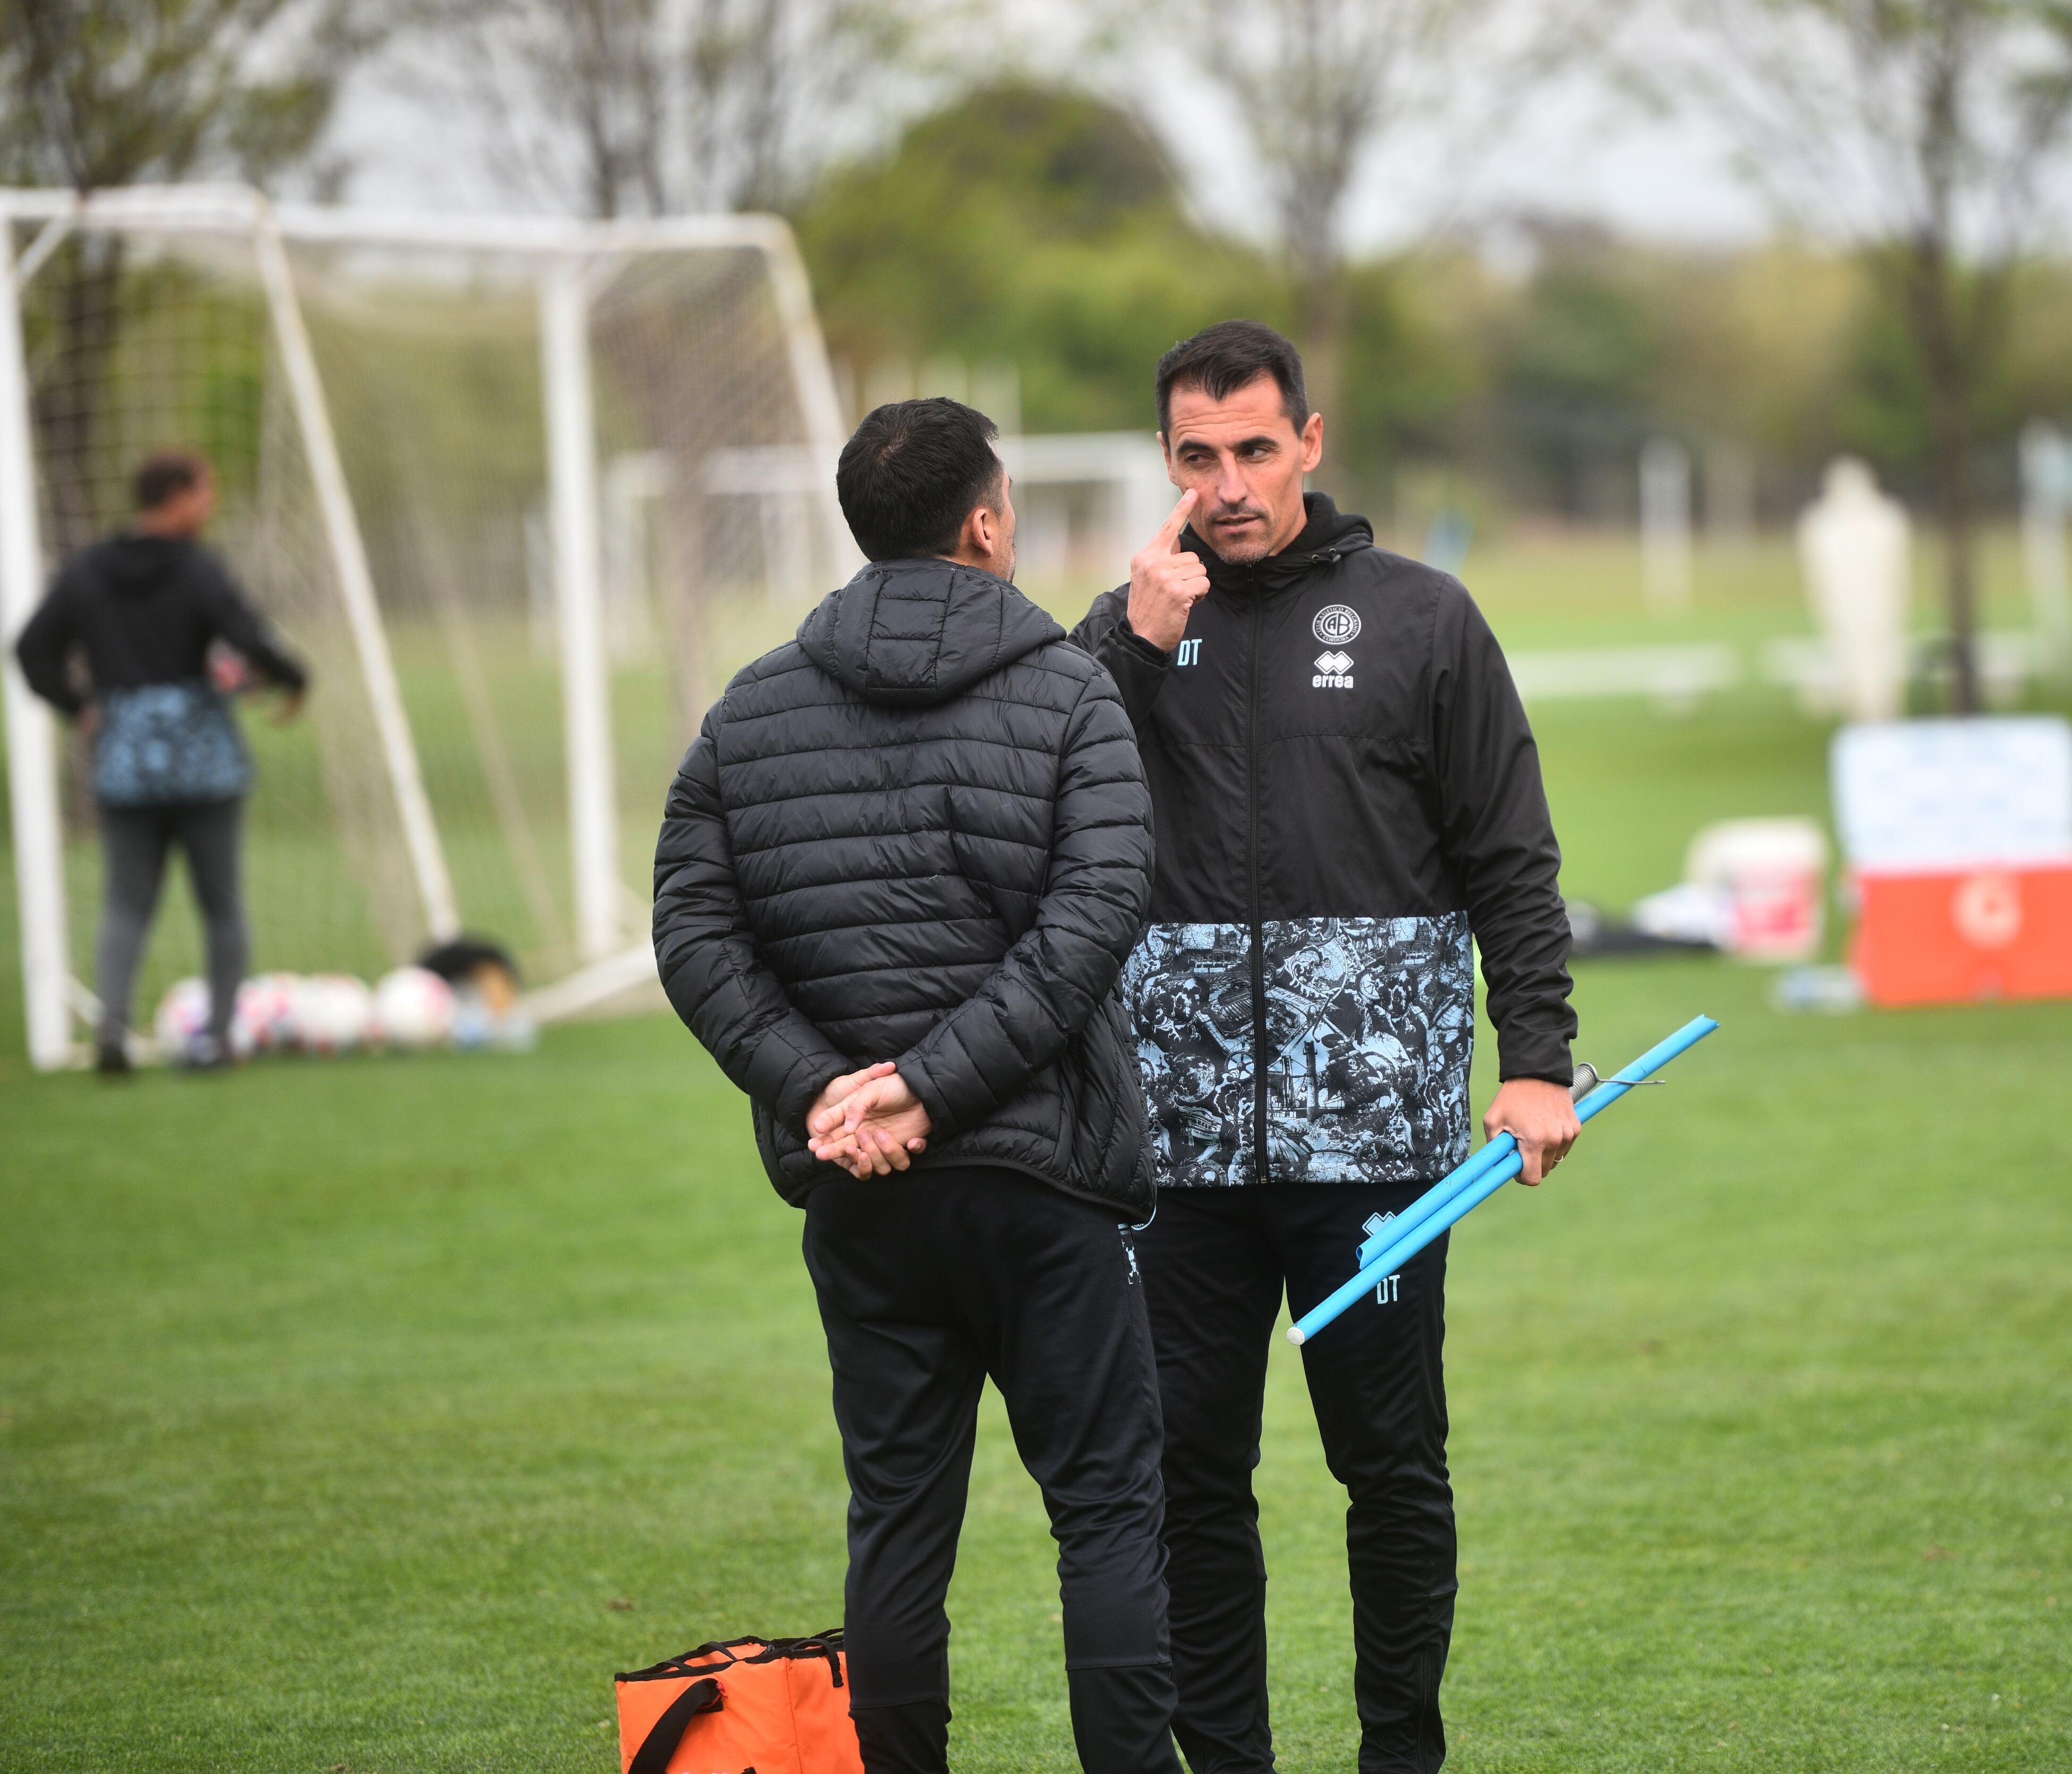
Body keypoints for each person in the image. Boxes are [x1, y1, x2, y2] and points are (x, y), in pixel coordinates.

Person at [1070, 321, 1580, 1774]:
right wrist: (1128, 640)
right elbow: (1033, 808)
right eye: (1195, 455)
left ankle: (1397, 1755)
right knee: (1186, 1482)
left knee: (1392, 1470)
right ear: (1165, 463)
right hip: (1170, 1150)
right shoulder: (1120, 636)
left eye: (1251, 447)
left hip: (1379, 1150)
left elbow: (1510, 859)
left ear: (1309, 438)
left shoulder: (1423, 619)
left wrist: (1536, 1056)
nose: (1226, 483)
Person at [651, 397, 1183, 1774]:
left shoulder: (748, 709)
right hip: (1043, 1185)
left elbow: (693, 935)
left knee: (896, 1523)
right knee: (1110, 1515)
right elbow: (1098, 912)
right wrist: (931, 1090)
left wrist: (831, 1095)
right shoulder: (1070, 688)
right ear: (987, 523)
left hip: (862, 1196)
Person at [12, 449, 307, 1072]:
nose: (211, 505)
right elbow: (249, 635)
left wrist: (77, 705)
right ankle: (217, 1039)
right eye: (205, 492)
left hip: (126, 756)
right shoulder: (198, 569)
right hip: (202, 755)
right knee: (221, 902)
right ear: (176, 496)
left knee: (126, 903)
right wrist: (293, 679)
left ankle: (112, 1030)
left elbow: (32, 647)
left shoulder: (88, 569)